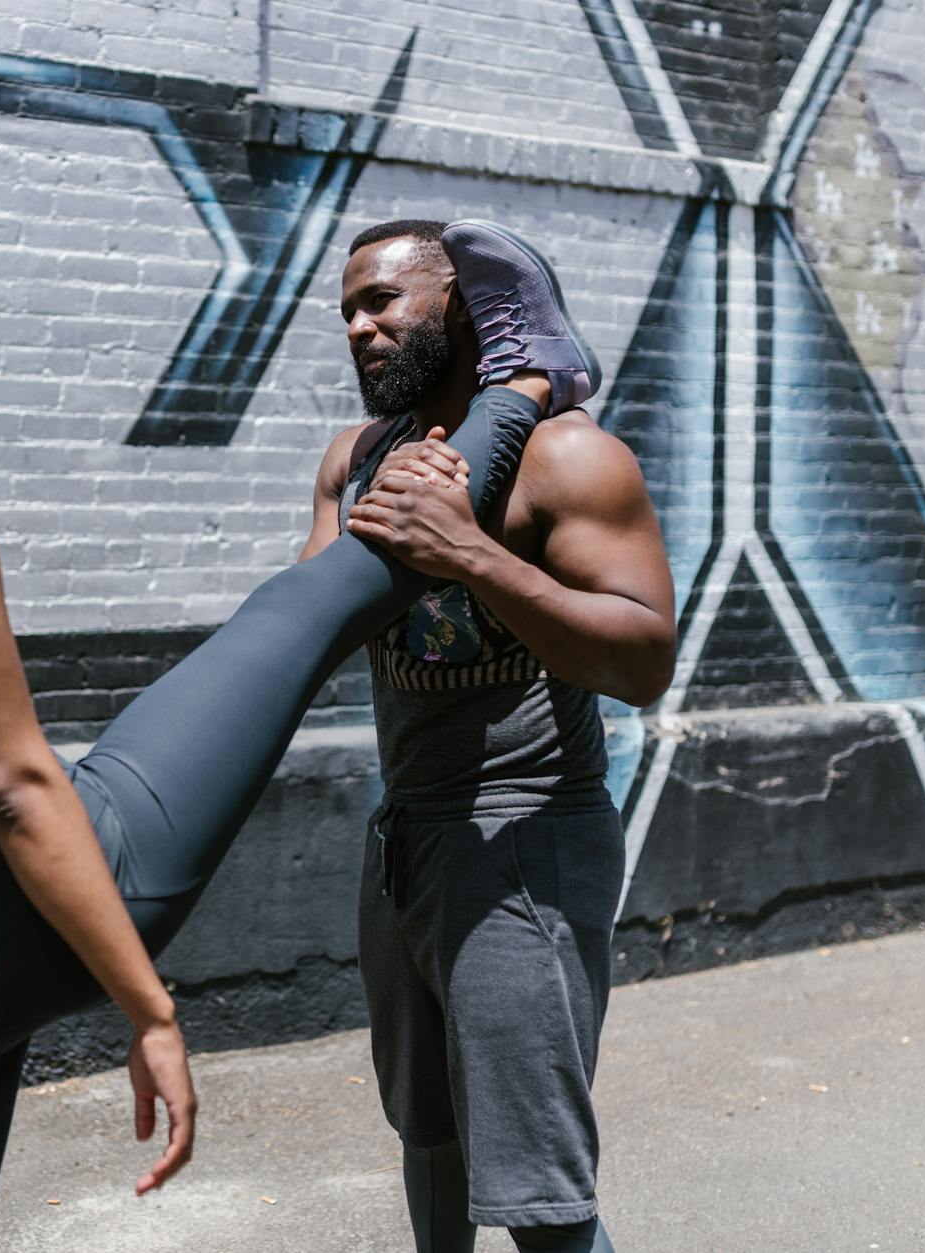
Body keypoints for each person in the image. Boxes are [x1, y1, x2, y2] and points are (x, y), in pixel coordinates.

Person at [0, 116, 595, 1253]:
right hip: (48, 906)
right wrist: (147, 1005)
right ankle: (525, 383)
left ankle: (514, 391)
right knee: (307, 604)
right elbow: (14, 783)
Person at [298, 219, 678, 1253]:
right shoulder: (356, 457)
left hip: (525, 838)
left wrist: (472, 555)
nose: (359, 327)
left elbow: (644, 659)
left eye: (384, 300)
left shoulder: (569, 458)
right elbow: (311, 625)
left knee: (537, 1187)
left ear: (459, 304)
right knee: (430, 1140)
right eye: (347, 311)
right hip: (405, 838)